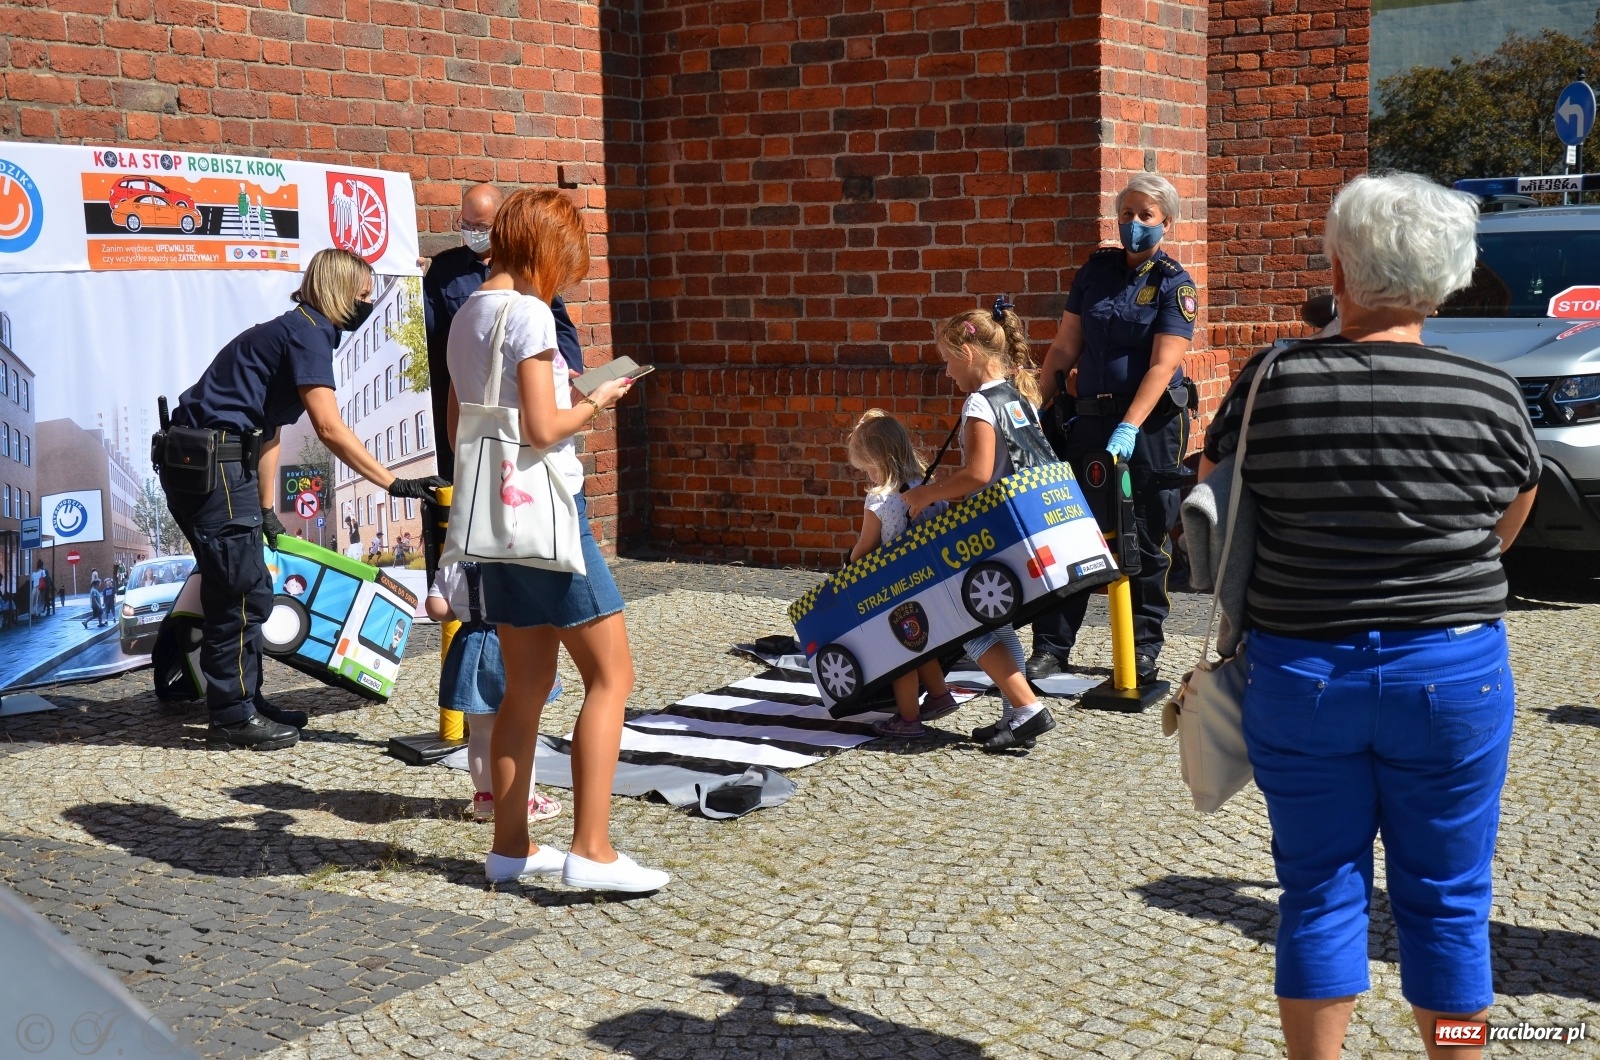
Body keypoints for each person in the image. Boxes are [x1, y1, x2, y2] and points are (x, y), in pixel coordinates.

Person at [1199, 173, 1540, 1060]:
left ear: (1340, 275)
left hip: (1303, 672)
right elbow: (1509, 517)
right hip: (1453, 674)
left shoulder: (1271, 383)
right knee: (1451, 899)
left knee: (1318, 891)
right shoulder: (1491, 395)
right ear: (1447, 281)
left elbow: (1220, 502)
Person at [447, 188, 662, 893]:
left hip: (493, 524)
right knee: (612, 676)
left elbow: (464, 423)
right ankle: (591, 850)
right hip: (546, 517)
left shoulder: (466, 312)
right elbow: (543, 429)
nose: (569, 275)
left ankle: (511, 848)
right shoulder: (532, 315)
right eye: (568, 261)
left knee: (526, 688)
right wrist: (597, 399)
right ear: (546, 249)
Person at [161, 248, 447, 751]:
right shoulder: (308, 334)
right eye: (363, 293)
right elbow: (330, 428)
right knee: (241, 589)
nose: (368, 301)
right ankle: (230, 716)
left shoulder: (300, 331)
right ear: (339, 292)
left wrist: (267, 509)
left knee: (243, 584)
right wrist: (393, 482)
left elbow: (266, 430)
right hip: (208, 461)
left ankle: (246, 701)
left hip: (219, 459)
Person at [1026, 173, 1198, 685]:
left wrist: (1128, 427)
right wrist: (1036, 406)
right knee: (1072, 527)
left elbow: (1163, 366)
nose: (1134, 225)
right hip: (1089, 418)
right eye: (1126, 214)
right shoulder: (1096, 271)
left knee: (1143, 530)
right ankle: (1052, 647)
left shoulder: (1174, 282)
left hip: (1147, 426)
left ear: (1165, 223)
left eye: (1145, 216)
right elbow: (1063, 348)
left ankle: (1144, 646)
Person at [903, 302, 1060, 753]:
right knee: (993, 616)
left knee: (965, 618)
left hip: (1002, 531)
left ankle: (1027, 707)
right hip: (1034, 525)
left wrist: (926, 494)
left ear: (969, 352)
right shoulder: (1016, 395)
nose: (949, 372)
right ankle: (1016, 710)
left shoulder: (978, 401)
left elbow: (977, 474)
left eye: (950, 361)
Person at [423, 183, 584, 479]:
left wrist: (567, 375)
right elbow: (432, 336)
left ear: (501, 225)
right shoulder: (446, 271)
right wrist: (596, 402)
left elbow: (561, 327)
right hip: (478, 399)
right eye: (465, 223)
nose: (471, 231)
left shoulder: (528, 277)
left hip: (518, 395)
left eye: (480, 225)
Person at [844, 410, 960, 738]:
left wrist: (847, 564)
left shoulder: (879, 499)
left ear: (874, 459)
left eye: (866, 467)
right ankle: (939, 695)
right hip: (930, 578)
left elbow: (866, 547)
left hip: (895, 586)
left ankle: (908, 720)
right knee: (922, 642)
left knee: (901, 651)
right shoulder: (929, 486)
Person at [426, 560, 564, 823]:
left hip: (470, 648)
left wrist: (460, 605)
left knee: (479, 733)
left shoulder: (453, 559)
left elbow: (436, 608)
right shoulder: (510, 556)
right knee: (520, 731)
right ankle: (525, 802)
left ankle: (486, 801)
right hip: (511, 645)